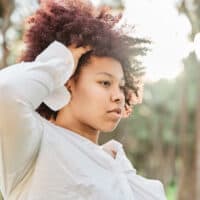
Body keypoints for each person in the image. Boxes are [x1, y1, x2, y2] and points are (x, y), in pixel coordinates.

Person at [0, 0, 166, 199]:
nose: (118, 96)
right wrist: (60, 62)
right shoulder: (33, 145)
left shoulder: (129, 176)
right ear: (67, 83)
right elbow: (6, 92)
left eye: (121, 86)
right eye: (105, 83)